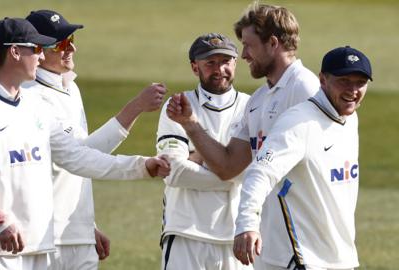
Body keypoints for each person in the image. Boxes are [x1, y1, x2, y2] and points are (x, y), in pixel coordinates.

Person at [0, 17, 169, 270]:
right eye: (35, 49)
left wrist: (142, 166)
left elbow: (77, 156)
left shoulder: (35, 107)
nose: (40, 57)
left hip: (40, 248)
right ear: (14, 52)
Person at [165, 3, 319, 267]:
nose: (244, 54)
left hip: (304, 241)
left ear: (272, 43)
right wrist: (190, 124)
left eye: (248, 45)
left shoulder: (304, 88)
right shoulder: (258, 100)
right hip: (270, 241)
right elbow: (228, 166)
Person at [21, 10, 167, 270]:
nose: (71, 48)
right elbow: (79, 156)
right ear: (38, 51)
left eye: (72, 39)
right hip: (46, 236)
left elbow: (80, 162)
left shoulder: (69, 88)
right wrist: (135, 107)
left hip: (77, 234)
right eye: (62, 44)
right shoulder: (31, 96)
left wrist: (87, 225)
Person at [234, 46, 372, 270]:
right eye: (344, 80)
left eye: (360, 82)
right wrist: (247, 224)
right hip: (299, 258)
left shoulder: (349, 118)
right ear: (322, 80)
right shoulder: (299, 123)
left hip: (340, 258)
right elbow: (260, 172)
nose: (353, 90)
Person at [157, 33, 250, 270]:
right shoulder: (178, 105)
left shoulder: (253, 107)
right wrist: (231, 171)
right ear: (194, 67)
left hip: (237, 236)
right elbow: (175, 172)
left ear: (235, 63)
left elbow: (258, 172)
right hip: (185, 233)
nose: (219, 69)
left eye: (225, 61)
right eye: (210, 63)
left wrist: (198, 158)